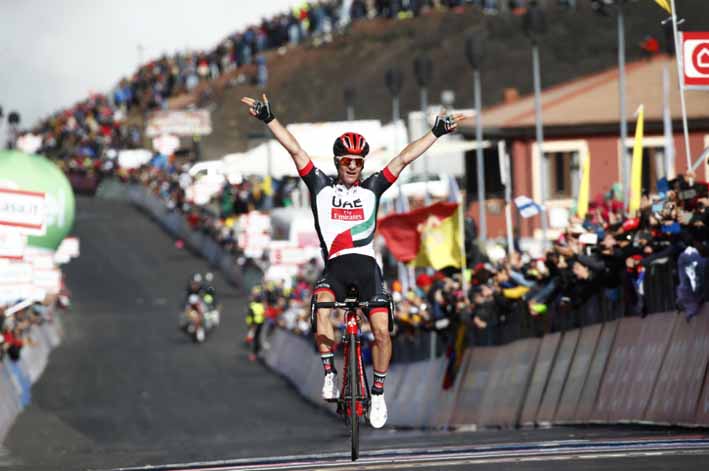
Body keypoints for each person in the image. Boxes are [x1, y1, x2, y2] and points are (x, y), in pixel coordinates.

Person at [241, 93, 464, 428]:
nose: (352, 166)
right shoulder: (320, 188)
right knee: (321, 309)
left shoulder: (372, 188)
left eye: (358, 161)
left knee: (382, 332)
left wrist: (436, 132)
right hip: (336, 269)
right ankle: (330, 371)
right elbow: (296, 150)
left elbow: (403, 159)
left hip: (367, 270)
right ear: (337, 162)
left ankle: (377, 394)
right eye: (346, 160)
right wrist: (269, 118)